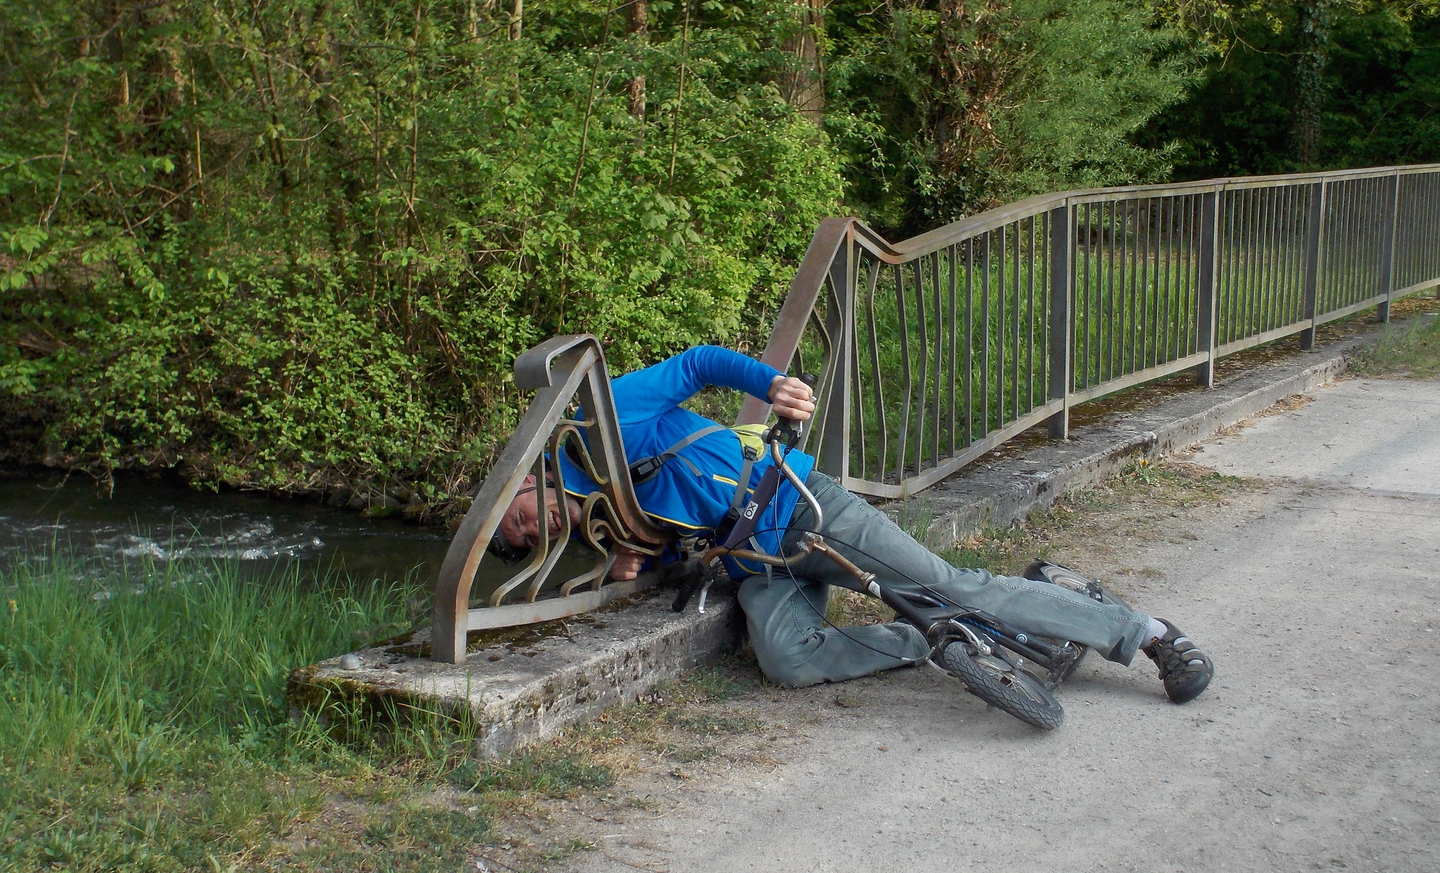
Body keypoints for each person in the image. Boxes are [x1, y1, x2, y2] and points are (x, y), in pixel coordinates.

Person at [491, 345, 1213, 704]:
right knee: (790, 661)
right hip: (759, 567)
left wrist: (767, 384)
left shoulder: (599, 421)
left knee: (956, 584)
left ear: (523, 478)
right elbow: (679, 534)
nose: (537, 529)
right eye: (530, 542)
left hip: (802, 506)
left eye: (522, 516)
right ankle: (928, 642)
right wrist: (639, 564)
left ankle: (1145, 633)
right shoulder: (599, 528)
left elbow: (694, 366)